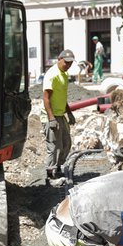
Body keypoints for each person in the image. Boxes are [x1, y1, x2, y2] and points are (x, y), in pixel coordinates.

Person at [41, 49, 76, 184]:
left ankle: (58, 167)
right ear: (59, 59)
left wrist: (69, 113)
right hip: (51, 115)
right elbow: (46, 98)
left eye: (70, 63)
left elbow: (62, 97)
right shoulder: (52, 74)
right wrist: (51, 118)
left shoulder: (64, 74)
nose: (68, 65)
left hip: (60, 115)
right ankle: (50, 176)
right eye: (66, 62)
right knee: (54, 146)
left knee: (66, 143)